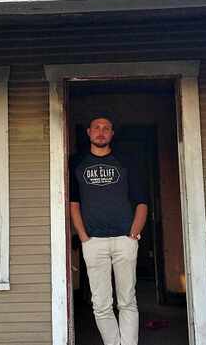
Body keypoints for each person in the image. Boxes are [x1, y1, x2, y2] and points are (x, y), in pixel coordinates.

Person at [70, 115, 148, 345]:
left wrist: (133, 234)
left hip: (124, 240)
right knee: (101, 304)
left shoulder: (125, 162)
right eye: (96, 127)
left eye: (106, 128)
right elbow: (73, 204)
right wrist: (84, 237)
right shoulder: (77, 164)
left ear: (112, 134)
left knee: (127, 301)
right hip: (94, 242)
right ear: (89, 132)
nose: (101, 132)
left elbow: (141, 201)